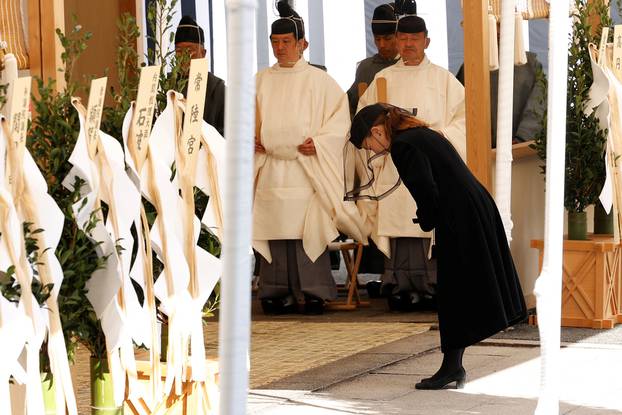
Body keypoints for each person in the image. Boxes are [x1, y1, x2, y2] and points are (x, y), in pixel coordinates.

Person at [348, 103, 527, 389]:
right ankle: (452, 366)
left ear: (377, 131)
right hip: (471, 208)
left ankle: (451, 368)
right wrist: (430, 215)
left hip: (461, 215)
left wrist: (427, 218)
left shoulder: (403, 146)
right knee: (456, 289)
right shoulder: (420, 134)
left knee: (454, 289)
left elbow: (426, 189)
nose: (370, 150)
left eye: (368, 144)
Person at [254, 1, 364, 315]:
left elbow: (340, 122)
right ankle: (276, 292)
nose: (280, 48)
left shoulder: (321, 82)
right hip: (272, 166)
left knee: (307, 229)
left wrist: (320, 142)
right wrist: (252, 139)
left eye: (286, 42)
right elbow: (245, 119)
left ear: (303, 44)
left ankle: (314, 290)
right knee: (273, 228)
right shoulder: (259, 81)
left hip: (307, 168)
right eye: (275, 43)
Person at [356, 9, 466, 311]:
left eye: (414, 39)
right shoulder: (383, 79)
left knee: (426, 222)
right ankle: (399, 286)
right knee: (398, 222)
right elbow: (364, 118)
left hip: (429, 163)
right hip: (394, 164)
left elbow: (466, 118)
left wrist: (441, 136)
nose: (407, 44)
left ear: (426, 41)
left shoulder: (442, 79)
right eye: (402, 38)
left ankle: (431, 286)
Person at [455, 29, 545, 146]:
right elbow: (460, 108)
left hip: (520, 147)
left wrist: (523, 137)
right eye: (494, 24)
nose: (498, 30)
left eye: (502, 24)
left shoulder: (531, 64)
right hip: (481, 149)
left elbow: (538, 104)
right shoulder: (470, 66)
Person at [174, 15, 226, 136]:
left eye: (190, 50)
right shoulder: (166, 86)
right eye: (179, 51)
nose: (184, 57)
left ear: (203, 53)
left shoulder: (217, 88)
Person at [346, 3, 399, 118]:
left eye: (387, 38)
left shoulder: (409, 66)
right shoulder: (366, 67)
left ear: (399, 36)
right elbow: (348, 106)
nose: (382, 45)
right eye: (377, 39)